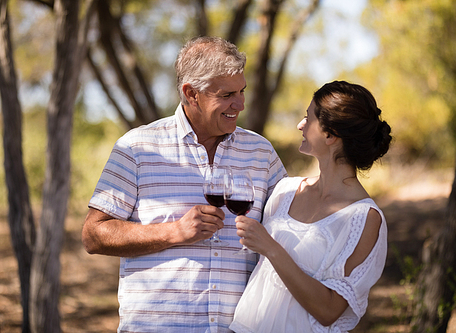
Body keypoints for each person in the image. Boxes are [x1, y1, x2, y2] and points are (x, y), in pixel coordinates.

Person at [81, 36, 287, 333]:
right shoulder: (138, 147)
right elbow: (93, 235)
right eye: (227, 94)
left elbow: (292, 226)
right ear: (191, 94)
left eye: (242, 91)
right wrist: (175, 231)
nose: (240, 104)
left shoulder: (261, 152)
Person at [229, 80, 392, 333]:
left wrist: (271, 247)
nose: (300, 125)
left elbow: (328, 310)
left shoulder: (365, 218)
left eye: (308, 118)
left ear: (330, 134)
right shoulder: (285, 191)